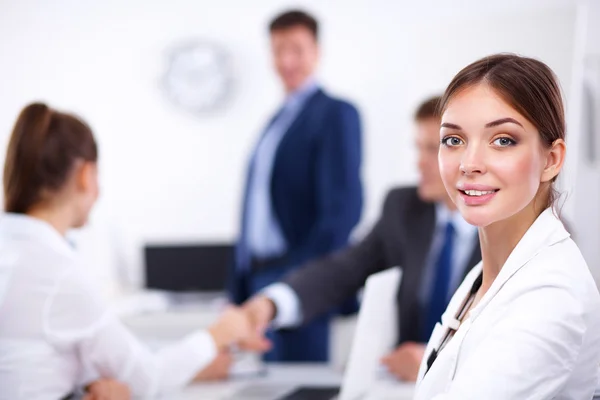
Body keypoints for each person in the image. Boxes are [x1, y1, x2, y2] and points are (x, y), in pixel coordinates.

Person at [0, 103, 267, 399]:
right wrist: (220, 333)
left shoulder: (18, 252)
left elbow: (48, 353)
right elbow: (147, 380)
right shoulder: (57, 273)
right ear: (86, 176)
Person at [240, 96, 481, 381]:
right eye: (418, 148)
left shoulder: (508, 227)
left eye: (433, 149)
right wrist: (272, 303)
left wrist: (442, 364)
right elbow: (343, 270)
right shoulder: (404, 208)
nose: (420, 162)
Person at [414, 54, 600, 399]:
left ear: (551, 159)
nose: (469, 164)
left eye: (503, 140)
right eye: (454, 140)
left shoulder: (552, 296)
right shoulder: (486, 276)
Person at [230, 9, 363, 362]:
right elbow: (253, 209)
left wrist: (303, 280)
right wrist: (237, 286)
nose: (286, 60)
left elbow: (342, 211)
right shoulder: (275, 122)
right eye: (277, 50)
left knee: (300, 386)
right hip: (259, 278)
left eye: (296, 49)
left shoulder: (335, 113)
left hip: (300, 279)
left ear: (316, 51)